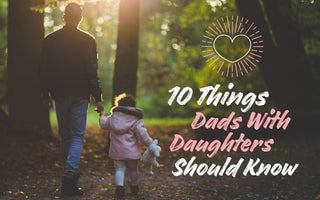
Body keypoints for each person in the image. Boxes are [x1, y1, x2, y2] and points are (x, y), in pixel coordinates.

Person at [39, 3, 104, 196]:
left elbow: (44, 70)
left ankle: (70, 177)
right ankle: (69, 178)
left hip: (59, 93)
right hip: (81, 94)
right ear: (80, 18)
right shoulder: (88, 40)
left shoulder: (50, 40)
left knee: (66, 136)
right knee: (76, 136)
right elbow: (92, 71)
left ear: (64, 17)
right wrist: (98, 97)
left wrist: (45, 94)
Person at [99, 93, 160, 199]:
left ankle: (119, 187)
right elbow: (142, 135)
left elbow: (104, 124)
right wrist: (150, 144)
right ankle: (135, 186)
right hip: (132, 152)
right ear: (133, 106)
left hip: (117, 151)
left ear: (119, 105)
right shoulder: (136, 119)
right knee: (133, 169)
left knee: (119, 169)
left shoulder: (113, 117)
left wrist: (102, 115)